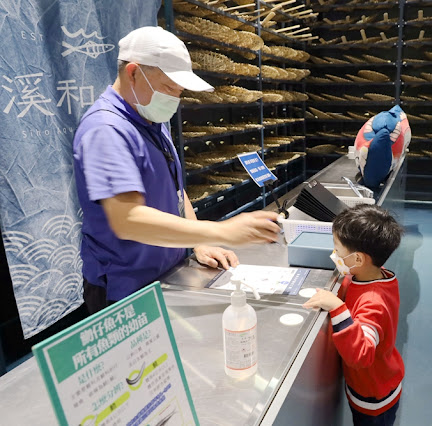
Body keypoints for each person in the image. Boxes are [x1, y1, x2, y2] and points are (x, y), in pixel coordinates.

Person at [73, 26, 279, 314]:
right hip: (123, 288)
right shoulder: (106, 130)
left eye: (179, 91)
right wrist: (221, 230)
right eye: (169, 88)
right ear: (133, 73)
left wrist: (198, 242)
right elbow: (127, 220)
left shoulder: (152, 121)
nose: (175, 98)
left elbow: (176, 190)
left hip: (165, 274)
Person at [303, 204, 404, 426]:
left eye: (337, 250)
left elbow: (361, 355)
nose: (334, 255)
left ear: (358, 260)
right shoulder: (373, 275)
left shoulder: (374, 302)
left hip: (374, 396)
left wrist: (338, 308)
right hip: (370, 384)